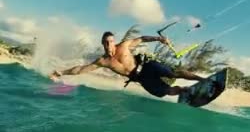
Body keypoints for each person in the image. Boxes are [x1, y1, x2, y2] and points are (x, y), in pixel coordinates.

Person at [49, 31, 205, 98]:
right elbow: (81, 69)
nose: (110, 44)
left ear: (114, 41)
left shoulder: (123, 46)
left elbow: (142, 39)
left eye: (111, 41)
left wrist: (159, 39)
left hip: (147, 66)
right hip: (141, 78)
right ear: (102, 43)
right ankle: (187, 91)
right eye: (106, 42)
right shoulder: (103, 61)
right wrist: (61, 73)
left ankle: (202, 80)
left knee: (173, 73)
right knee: (166, 92)